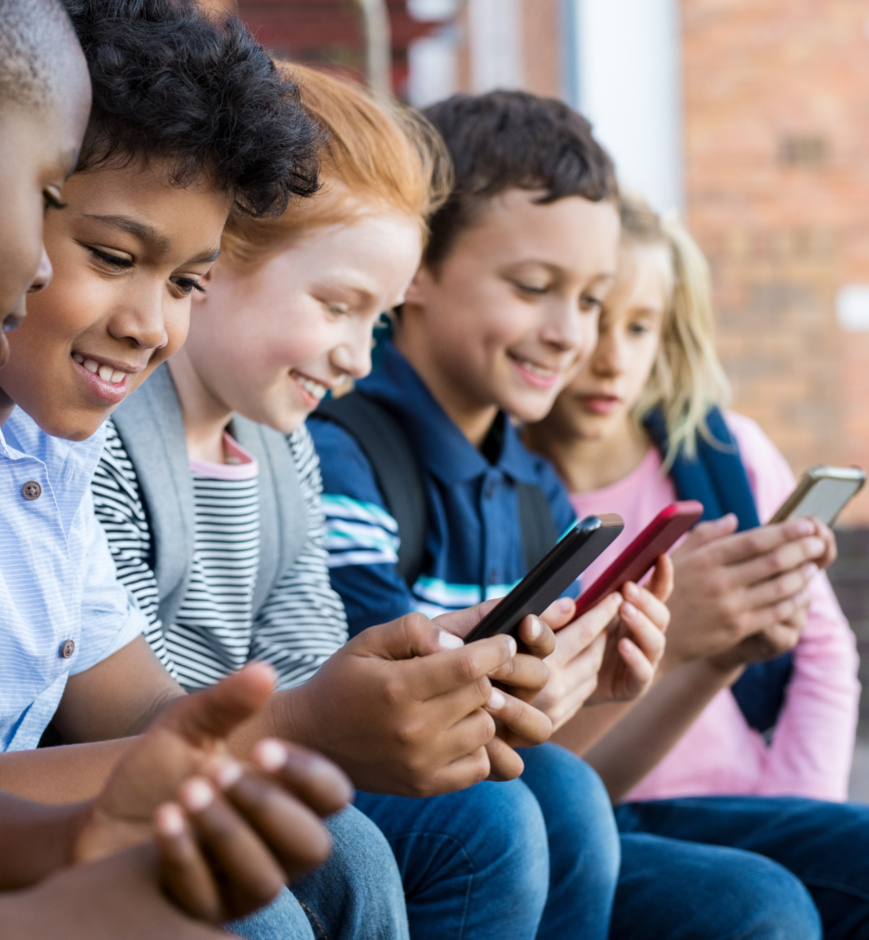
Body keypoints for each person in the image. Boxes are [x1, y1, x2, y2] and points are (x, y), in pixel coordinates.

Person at [0, 0, 353, 936]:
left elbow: (128, 711)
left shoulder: (54, 442)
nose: (148, 323)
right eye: (55, 213)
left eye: (185, 283)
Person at [311, 90, 824, 940]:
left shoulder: (531, 485)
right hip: (407, 822)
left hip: (527, 811)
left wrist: (624, 676)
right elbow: (408, 729)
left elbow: (563, 766)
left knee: (758, 903)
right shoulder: (343, 450)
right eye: (534, 287)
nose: (568, 334)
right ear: (418, 269)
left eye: (589, 299)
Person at [91, 62, 572, 940]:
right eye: (337, 306)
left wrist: (417, 670)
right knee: (315, 873)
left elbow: (306, 650)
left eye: (377, 321)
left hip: (253, 757)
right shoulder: (111, 434)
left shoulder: (285, 449)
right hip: (128, 775)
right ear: (215, 258)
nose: (358, 355)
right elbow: (119, 700)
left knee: (500, 817)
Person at [527, 188, 869, 937]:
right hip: (605, 811)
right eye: (596, 319)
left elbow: (821, 649)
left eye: (641, 327)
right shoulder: (514, 489)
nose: (613, 358)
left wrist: (800, 801)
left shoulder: (727, 456)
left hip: (755, 801)